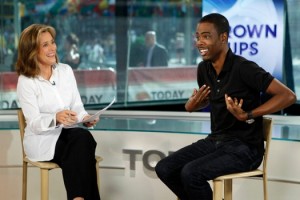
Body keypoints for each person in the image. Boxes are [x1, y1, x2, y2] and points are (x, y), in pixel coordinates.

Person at [155, 13, 296, 200]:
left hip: (246, 148)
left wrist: (248, 114)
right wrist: (191, 106)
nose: (199, 42)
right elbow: (206, 100)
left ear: (223, 38)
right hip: (215, 141)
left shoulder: (244, 68)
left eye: (206, 36)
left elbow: (288, 96)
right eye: (197, 37)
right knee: (164, 168)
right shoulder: (203, 69)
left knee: (191, 173)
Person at [16, 24, 101, 200]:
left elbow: (77, 106)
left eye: (52, 42)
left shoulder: (66, 71)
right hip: (42, 140)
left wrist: (85, 118)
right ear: (32, 51)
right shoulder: (26, 81)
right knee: (83, 148)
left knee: (81, 142)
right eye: (45, 45)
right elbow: (33, 123)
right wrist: (55, 118)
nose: (52, 48)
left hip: (70, 135)